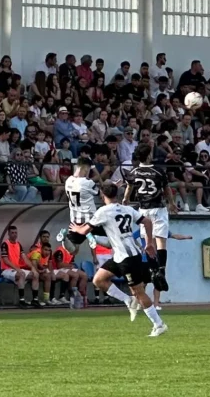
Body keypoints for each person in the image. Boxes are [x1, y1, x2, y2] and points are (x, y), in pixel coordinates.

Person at [70, 182, 167, 337]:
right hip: (121, 256)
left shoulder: (103, 211)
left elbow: (84, 230)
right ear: (117, 194)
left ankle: (159, 324)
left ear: (102, 195)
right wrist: (149, 243)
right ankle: (128, 300)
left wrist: (76, 229)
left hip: (128, 258)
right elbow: (147, 222)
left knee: (138, 292)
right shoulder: (127, 209)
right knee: (98, 280)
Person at [123, 144, 177, 296]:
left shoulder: (133, 172)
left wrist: (125, 200)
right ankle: (161, 271)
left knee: (149, 242)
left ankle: (153, 270)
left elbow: (129, 188)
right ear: (148, 156)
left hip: (143, 210)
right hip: (158, 209)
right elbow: (166, 189)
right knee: (161, 242)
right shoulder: (158, 171)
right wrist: (172, 203)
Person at [132, 228, 192, 309]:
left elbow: (173, 235)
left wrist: (185, 237)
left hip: (157, 260)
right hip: (145, 260)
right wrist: (140, 247)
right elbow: (132, 237)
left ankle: (156, 304)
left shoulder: (160, 228)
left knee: (158, 282)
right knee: (143, 283)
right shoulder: (143, 228)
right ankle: (140, 302)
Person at [58, 157, 105, 251]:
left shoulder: (68, 180)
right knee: (110, 238)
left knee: (73, 250)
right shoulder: (87, 183)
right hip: (91, 220)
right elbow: (102, 195)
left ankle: (64, 238)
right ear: (86, 168)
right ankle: (92, 236)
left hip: (75, 221)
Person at [0, 225, 42, 308]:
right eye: (12, 233)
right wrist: (17, 269)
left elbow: (25, 258)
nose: (14, 234)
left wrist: (33, 268)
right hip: (6, 270)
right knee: (21, 274)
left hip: (16, 270)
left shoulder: (18, 244)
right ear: (8, 234)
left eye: (15, 233)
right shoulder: (5, 244)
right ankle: (21, 300)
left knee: (35, 275)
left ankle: (35, 300)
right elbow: (6, 260)